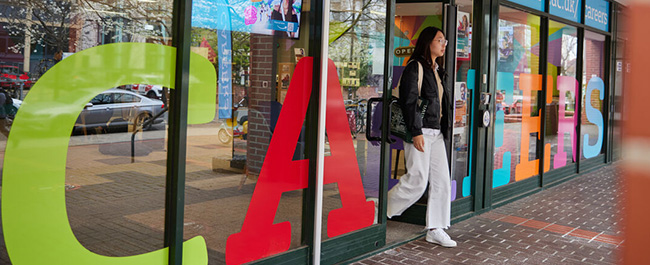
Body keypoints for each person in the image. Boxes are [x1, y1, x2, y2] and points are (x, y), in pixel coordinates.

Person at [387, 26, 456, 247]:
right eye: (440, 40)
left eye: (444, 41)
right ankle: (381, 210)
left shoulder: (437, 69)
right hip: (422, 131)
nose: (444, 44)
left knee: (442, 182)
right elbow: (408, 101)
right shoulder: (415, 67)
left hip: (436, 133)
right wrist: (416, 132)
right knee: (417, 182)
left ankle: (435, 228)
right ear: (428, 42)